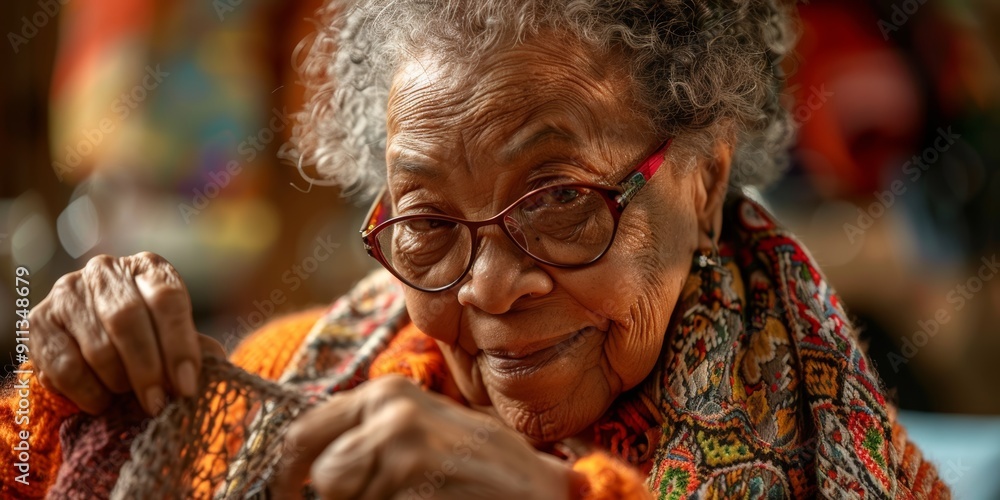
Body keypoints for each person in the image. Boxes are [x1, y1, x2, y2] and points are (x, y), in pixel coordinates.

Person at [2, 0, 950, 498]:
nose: (491, 289)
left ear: (703, 184)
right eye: (425, 225)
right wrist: (71, 405)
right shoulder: (289, 382)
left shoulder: (842, 454)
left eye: (563, 202)